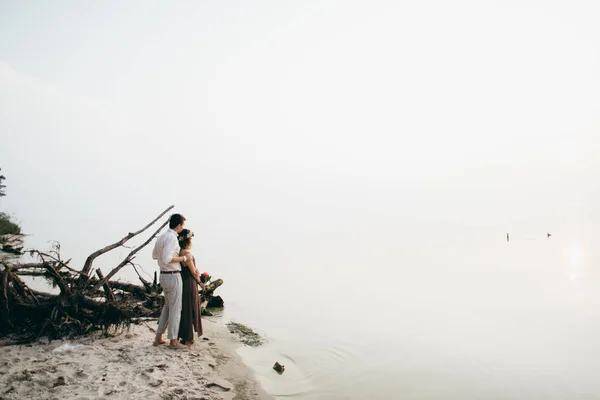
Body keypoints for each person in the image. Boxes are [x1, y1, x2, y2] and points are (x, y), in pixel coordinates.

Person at [152, 213, 188, 349]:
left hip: (163, 275)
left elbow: (155, 256)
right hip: (173, 275)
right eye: (182, 225)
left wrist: (166, 259)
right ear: (178, 226)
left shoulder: (161, 237)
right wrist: (183, 259)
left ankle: (158, 337)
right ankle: (173, 341)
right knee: (175, 309)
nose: (182, 228)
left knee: (167, 307)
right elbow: (167, 258)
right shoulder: (172, 238)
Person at [177, 229, 205, 344]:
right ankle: (188, 337)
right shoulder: (187, 254)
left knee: (184, 308)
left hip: (181, 281)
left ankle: (182, 334)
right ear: (188, 240)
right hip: (190, 283)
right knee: (191, 307)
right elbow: (193, 272)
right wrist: (201, 282)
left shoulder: (178, 252)